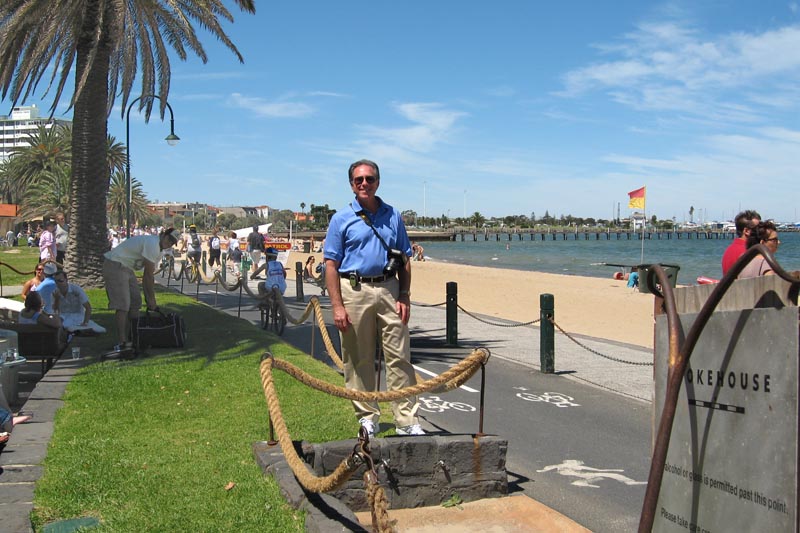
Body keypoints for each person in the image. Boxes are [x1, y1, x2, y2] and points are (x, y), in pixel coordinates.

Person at [323, 159, 422, 437]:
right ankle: (368, 417)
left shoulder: (393, 215)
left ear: (378, 182)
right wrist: (337, 306)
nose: (364, 183)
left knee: (400, 357)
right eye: (359, 180)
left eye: (369, 179)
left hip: (390, 289)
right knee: (358, 359)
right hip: (354, 291)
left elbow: (404, 258)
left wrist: (404, 294)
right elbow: (331, 265)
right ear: (352, 185)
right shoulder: (341, 219)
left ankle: (407, 421)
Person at [102, 227, 180, 355]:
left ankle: (135, 336)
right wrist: (151, 300)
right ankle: (123, 342)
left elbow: (148, 277)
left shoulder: (159, 250)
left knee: (136, 302)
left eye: (173, 242)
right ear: (164, 235)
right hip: (115, 264)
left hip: (127, 267)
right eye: (169, 239)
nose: (170, 243)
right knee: (123, 305)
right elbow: (148, 276)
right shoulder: (152, 244)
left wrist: (149, 299)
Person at [722, 210, 761, 276]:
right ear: (746, 231)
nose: (761, 231)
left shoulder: (729, 250)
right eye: (758, 228)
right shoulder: (749, 251)